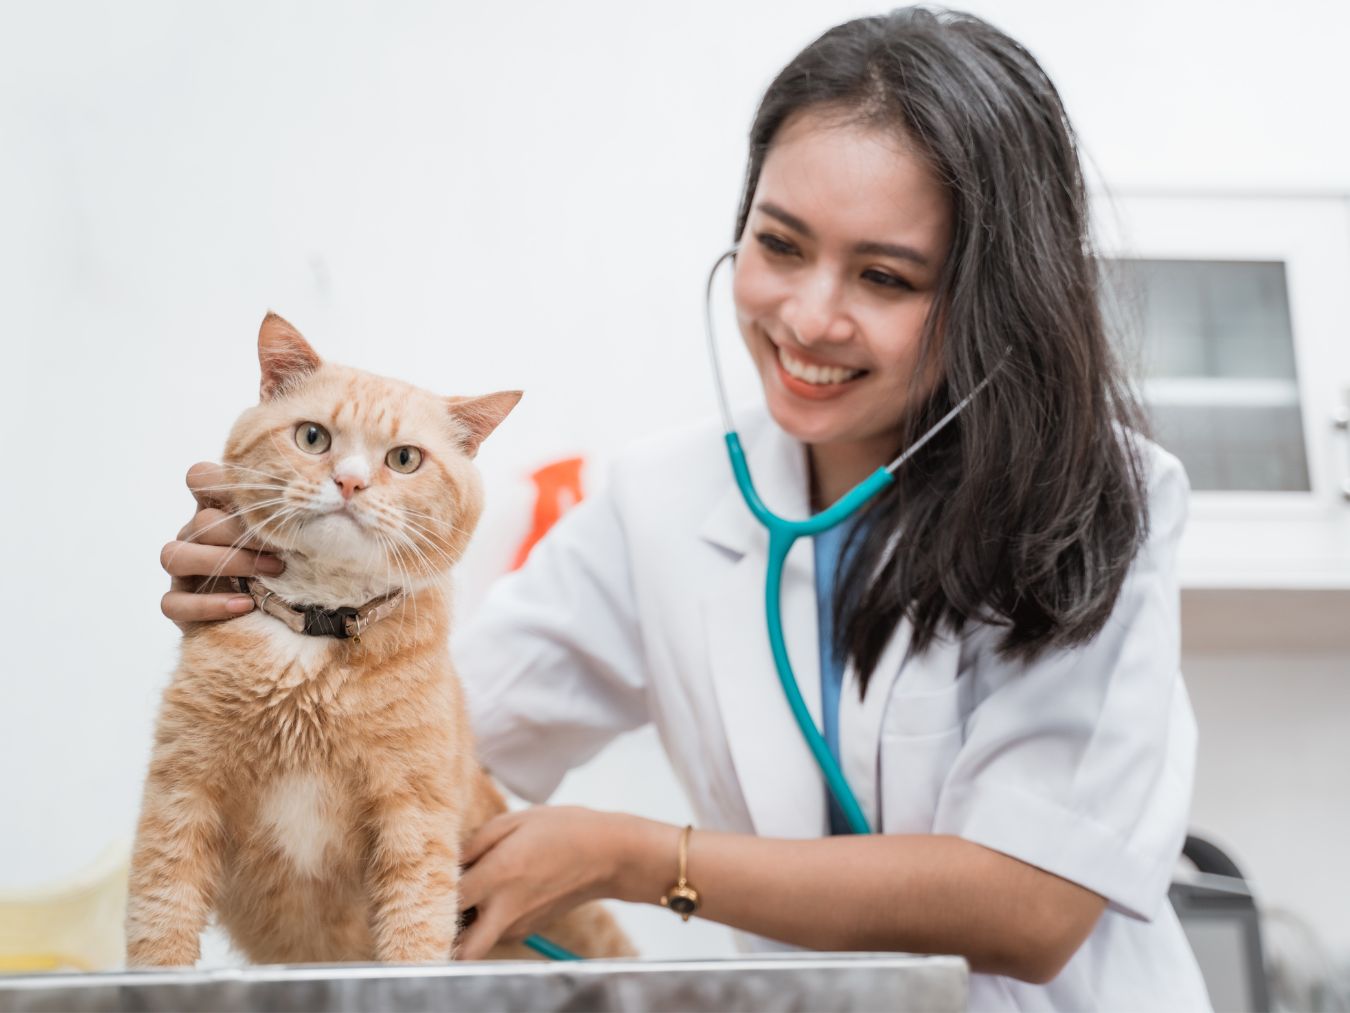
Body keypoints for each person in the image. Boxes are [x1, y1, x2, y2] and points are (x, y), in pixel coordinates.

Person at [160, 8, 1211, 1008]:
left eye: (884, 277)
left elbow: (1031, 903)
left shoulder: (1102, 498)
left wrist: (644, 858)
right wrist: (299, 591)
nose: (807, 315)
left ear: (993, 293)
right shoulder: (663, 501)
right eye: (781, 243)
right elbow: (441, 732)